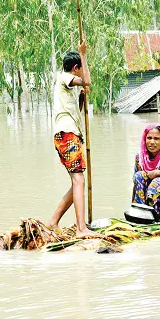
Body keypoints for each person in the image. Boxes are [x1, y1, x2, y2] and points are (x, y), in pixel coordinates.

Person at [48, 40, 99, 238]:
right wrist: (83, 54)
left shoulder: (65, 86)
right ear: (75, 67)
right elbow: (87, 80)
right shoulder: (64, 77)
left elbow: (74, 111)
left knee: (77, 181)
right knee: (79, 179)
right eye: (80, 68)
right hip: (67, 134)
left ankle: (53, 222)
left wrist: (81, 99)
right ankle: (80, 229)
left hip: (67, 133)